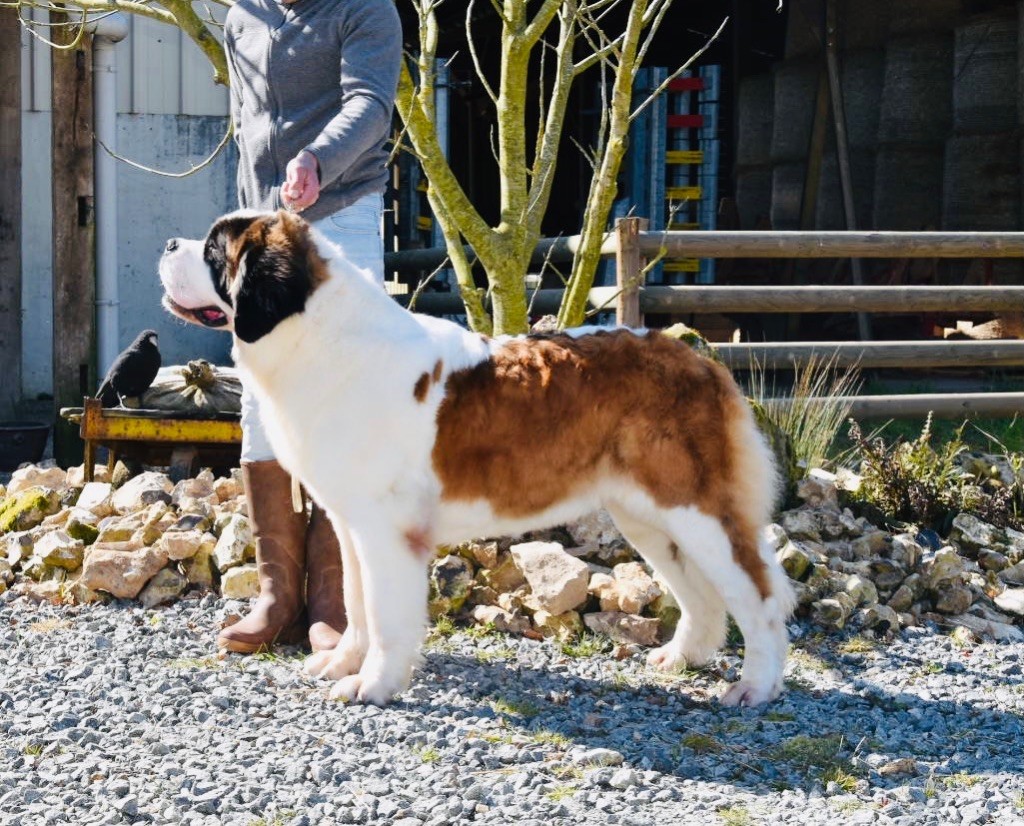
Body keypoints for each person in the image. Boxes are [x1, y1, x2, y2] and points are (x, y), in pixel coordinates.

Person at [217, 0, 402, 654]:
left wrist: (317, 160)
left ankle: (334, 599)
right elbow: (247, 123)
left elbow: (370, 104)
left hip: (341, 216)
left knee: (344, 402)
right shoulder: (243, 17)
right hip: (259, 224)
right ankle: (278, 597)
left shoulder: (365, 9)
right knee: (260, 397)